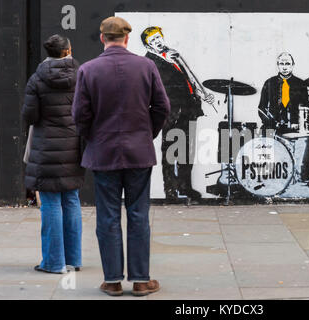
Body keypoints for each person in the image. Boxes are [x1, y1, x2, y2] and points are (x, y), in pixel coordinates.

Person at [72, 17, 170, 297]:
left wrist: (95, 137)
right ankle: (140, 280)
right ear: (127, 39)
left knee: (107, 215)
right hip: (138, 151)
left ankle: (112, 280)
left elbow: (79, 115)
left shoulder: (88, 70)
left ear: (102, 38)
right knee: (139, 214)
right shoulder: (146, 66)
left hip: (103, 153)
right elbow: (162, 107)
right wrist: (145, 133)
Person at [22, 34, 85, 274]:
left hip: (46, 147)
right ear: (68, 50)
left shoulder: (37, 78)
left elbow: (30, 116)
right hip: (73, 145)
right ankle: (73, 259)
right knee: (71, 199)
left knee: (49, 203)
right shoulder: (82, 75)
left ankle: (53, 262)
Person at [141, 26, 214, 201]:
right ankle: (171, 190)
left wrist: (200, 95)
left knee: (187, 151)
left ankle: (185, 186)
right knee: (170, 151)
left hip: (188, 110)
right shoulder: (150, 62)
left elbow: (185, 80)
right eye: (153, 41)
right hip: (171, 112)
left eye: (158, 37)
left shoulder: (172, 56)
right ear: (149, 47)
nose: (158, 42)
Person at [258, 52, 309, 182]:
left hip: (295, 125)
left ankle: (306, 169)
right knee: (263, 132)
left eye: (288, 64)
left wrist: (297, 122)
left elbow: (305, 107)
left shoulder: (300, 84)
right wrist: (271, 122)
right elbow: (261, 108)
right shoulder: (269, 83)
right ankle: (269, 172)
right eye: (282, 64)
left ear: (293, 65)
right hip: (274, 124)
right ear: (278, 65)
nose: (285, 67)